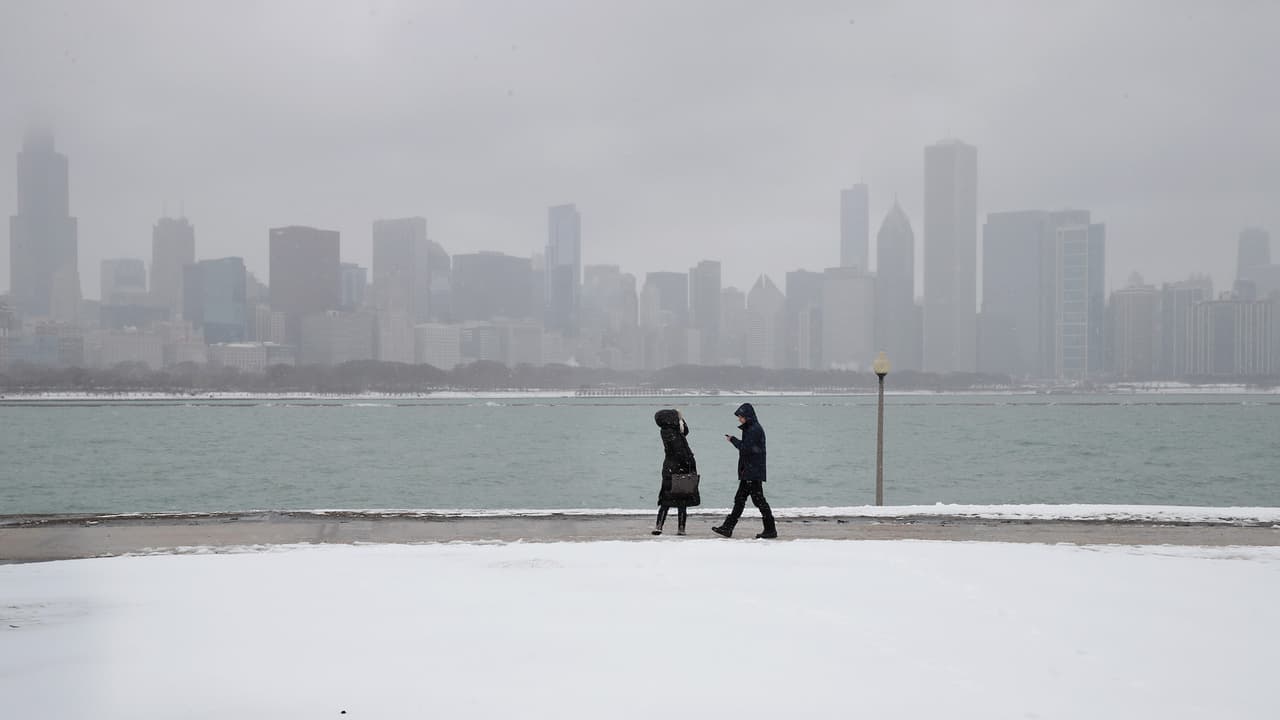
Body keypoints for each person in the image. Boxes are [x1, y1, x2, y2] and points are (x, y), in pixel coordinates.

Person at [712, 403, 777, 539]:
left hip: (752, 471)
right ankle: (727, 528)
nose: (739, 419)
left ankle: (770, 529)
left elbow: (746, 448)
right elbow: (748, 447)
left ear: (747, 416)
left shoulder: (754, 429)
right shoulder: (751, 428)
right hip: (750, 470)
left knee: (757, 500)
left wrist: (733, 440)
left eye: (740, 416)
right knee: (740, 500)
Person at [652, 408, 699, 535]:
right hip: (678, 468)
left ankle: (660, 525)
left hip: (670, 468)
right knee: (680, 499)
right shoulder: (672, 432)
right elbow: (680, 451)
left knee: (667, 499)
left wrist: (681, 419)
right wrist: (689, 463)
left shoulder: (670, 430)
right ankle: (679, 528)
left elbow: (686, 431)